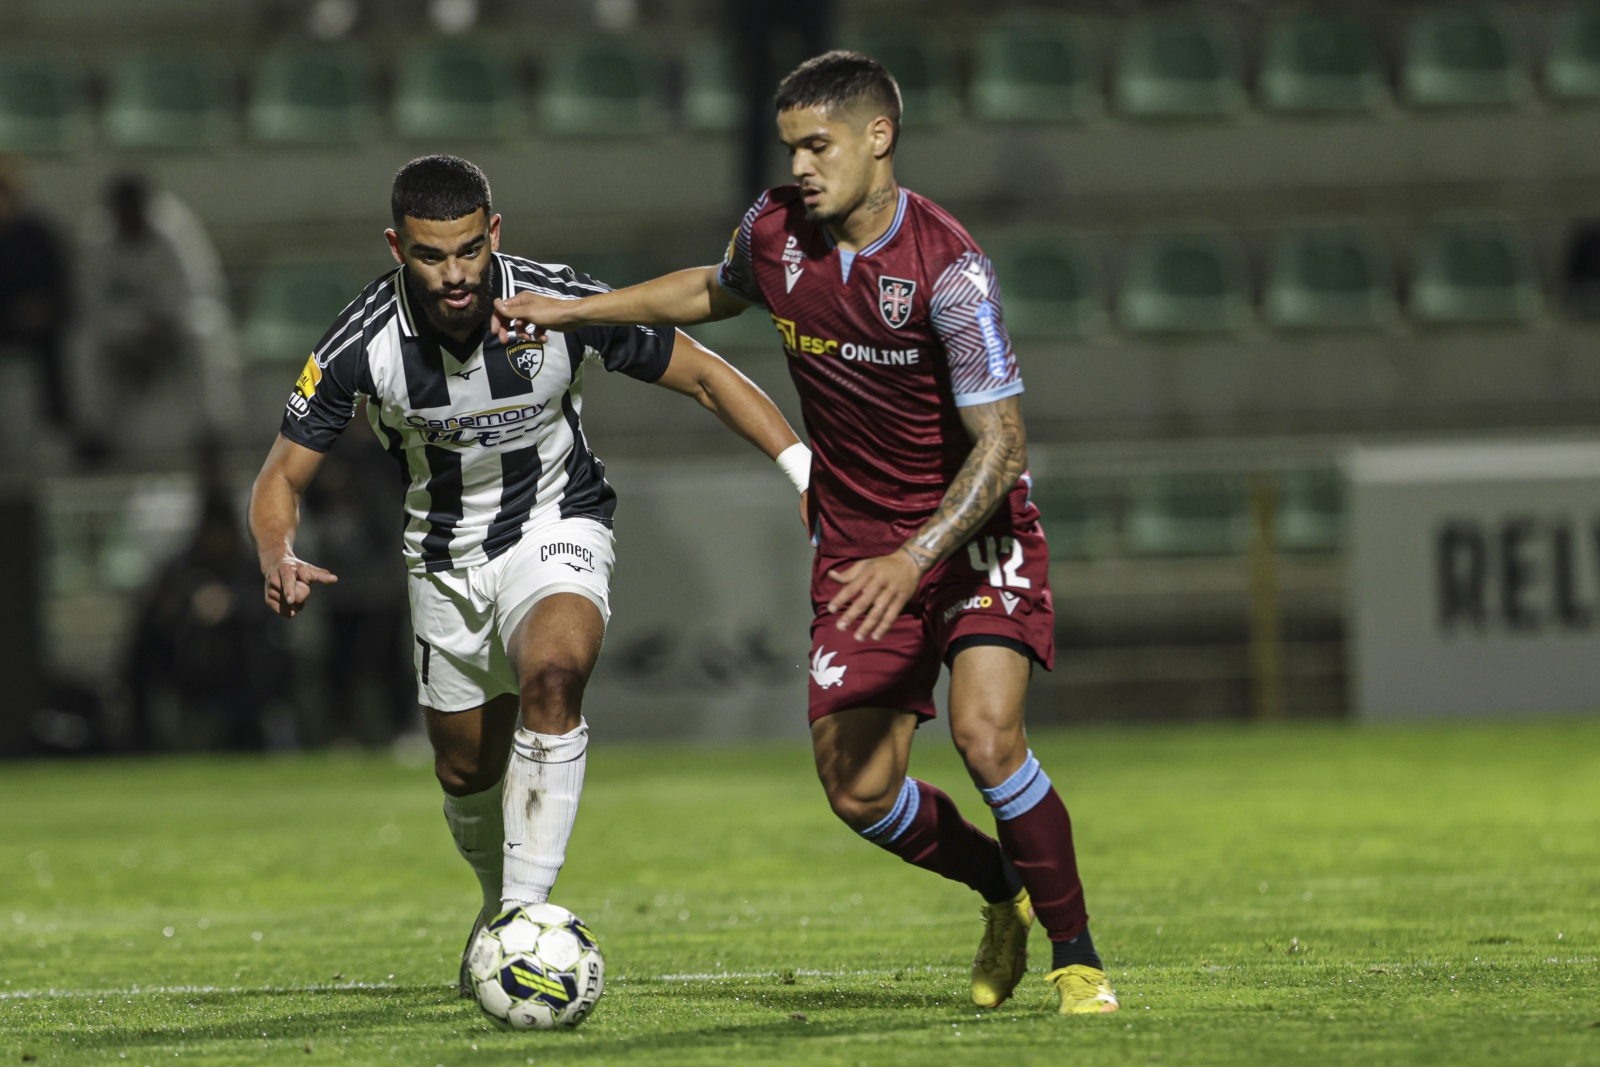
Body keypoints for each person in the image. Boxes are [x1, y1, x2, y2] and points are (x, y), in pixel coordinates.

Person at [492, 52, 1119, 1015]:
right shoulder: (776, 230)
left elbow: (1002, 444)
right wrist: (577, 311)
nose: (802, 168)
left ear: (880, 138)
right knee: (859, 793)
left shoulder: (949, 270)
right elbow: (711, 289)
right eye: (792, 149)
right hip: (857, 547)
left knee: (987, 737)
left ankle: (1080, 963)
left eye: (818, 146)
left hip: (969, 534)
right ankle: (1004, 891)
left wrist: (919, 556)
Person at [247, 155, 807, 995]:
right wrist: (276, 551)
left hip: (557, 523)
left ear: (494, 233)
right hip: (442, 560)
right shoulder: (361, 342)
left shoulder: (558, 303)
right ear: (399, 247)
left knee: (554, 677)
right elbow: (279, 477)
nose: (455, 274)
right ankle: (496, 902)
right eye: (432, 256)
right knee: (466, 772)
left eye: (470, 250)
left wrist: (802, 466)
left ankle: (520, 922)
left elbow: (701, 373)